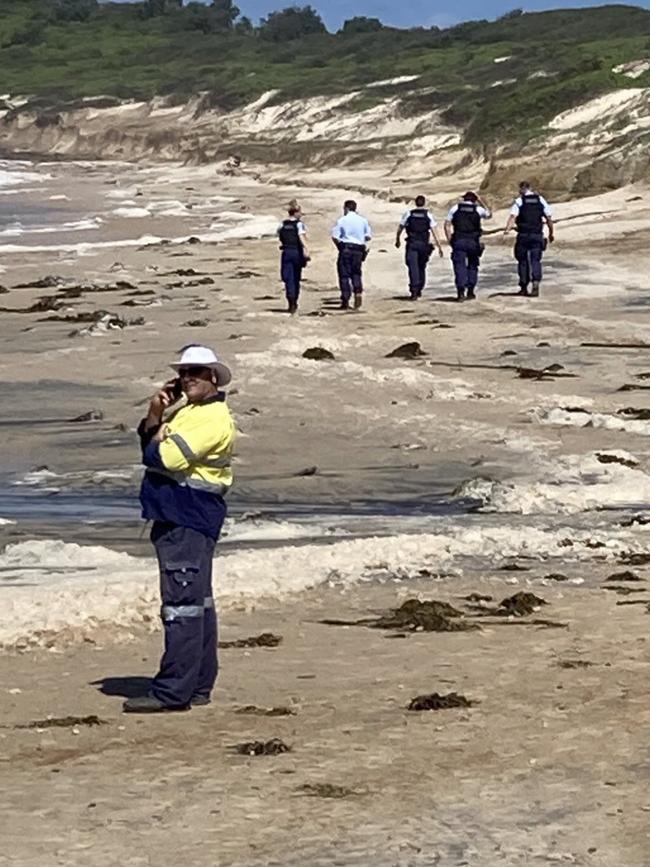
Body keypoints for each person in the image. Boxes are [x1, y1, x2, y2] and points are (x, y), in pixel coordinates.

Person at [124, 344, 235, 714]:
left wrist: (157, 441)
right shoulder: (188, 412)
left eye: (198, 373)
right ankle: (199, 684)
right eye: (185, 373)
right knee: (198, 603)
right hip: (181, 517)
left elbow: (165, 458)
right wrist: (155, 414)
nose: (189, 379)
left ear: (213, 378)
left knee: (182, 606)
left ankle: (173, 692)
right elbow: (150, 443)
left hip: (187, 517)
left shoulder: (212, 418)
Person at [504, 181, 554, 297]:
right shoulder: (540, 200)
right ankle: (535, 282)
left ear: (521, 189)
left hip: (523, 235)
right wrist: (551, 233)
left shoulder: (520, 201)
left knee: (522, 260)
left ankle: (523, 286)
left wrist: (507, 230)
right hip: (537, 234)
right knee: (535, 260)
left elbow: (513, 217)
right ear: (530, 188)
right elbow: (548, 218)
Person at [444, 191, 492, 301]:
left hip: (459, 240)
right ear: (474, 200)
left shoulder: (455, 208)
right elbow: (489, 215)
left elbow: (447, 225)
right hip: (473, 242)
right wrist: (481, 201)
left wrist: (450, 240)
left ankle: (461, 292)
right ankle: (470, 290)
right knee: (473, 266)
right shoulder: (478, 210)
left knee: (459, 266)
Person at [395, 195, 443, 299]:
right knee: (421, 266)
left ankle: (414, 290)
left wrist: (397, 239)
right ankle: (419, 287)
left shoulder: (409, 214)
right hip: (423, 245)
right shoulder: (428, 215)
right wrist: (439, 246)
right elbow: (434, 231)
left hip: (412, 243)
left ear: (415, 203)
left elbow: (400, 227)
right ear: (424, 203)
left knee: (413, 267)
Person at [331, 199, 372, 310]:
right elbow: (368, 236)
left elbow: (335, 236)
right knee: (356, 273)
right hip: (359, 249)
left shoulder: (342, 220)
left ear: (346, 208)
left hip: (346, 248)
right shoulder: (363, 220)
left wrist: (339, 246)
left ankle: (345, 299)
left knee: (344, 274)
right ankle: (358, 291)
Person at [278, 204, 310, 315]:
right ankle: (294, 301)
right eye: (300, 212)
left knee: (288, 278)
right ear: (295, 213)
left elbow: (280, 236)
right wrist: (306, 250)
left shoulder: (282, 224)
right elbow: (301, 238)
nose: (301, 214)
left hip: (286, 252)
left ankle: (291, 301)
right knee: (295, 277)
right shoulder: (299, 225)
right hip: (296, 252)